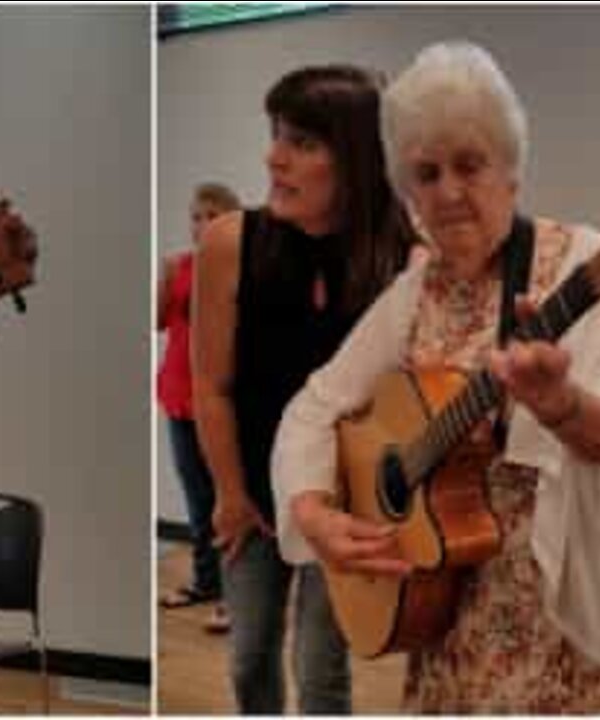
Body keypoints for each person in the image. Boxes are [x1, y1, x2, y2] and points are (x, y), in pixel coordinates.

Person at [272, 41, 600, 713]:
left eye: (470, 164)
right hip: (446, 621)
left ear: (510, 171)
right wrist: (312, 510)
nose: (449, 191)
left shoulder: (585, 266)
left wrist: (563, 406)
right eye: (426, 173)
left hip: (560, 630)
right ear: (407, 192)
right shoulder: (415, 291)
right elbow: (315, 404)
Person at [193, 65, 416, 714]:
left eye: (303, 143)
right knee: (249, 655)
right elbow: (211, 386)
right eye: (275, 135)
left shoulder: (402, 250)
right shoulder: (230, 241)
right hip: (254, 496)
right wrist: (230, 494)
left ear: (358, 159)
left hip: (343, 497)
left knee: (321, 669)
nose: (274, 157)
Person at [158, 182, 241, 635]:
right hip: (177, 397)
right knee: (196, 501)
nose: (202, 224)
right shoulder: (181, 269)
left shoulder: (241, 271)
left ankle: (235, 598)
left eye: (212, 215)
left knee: (228, 503)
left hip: (221, 404)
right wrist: (164, 278)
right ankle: (206, 583)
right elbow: (156, 322)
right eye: (195, 215)